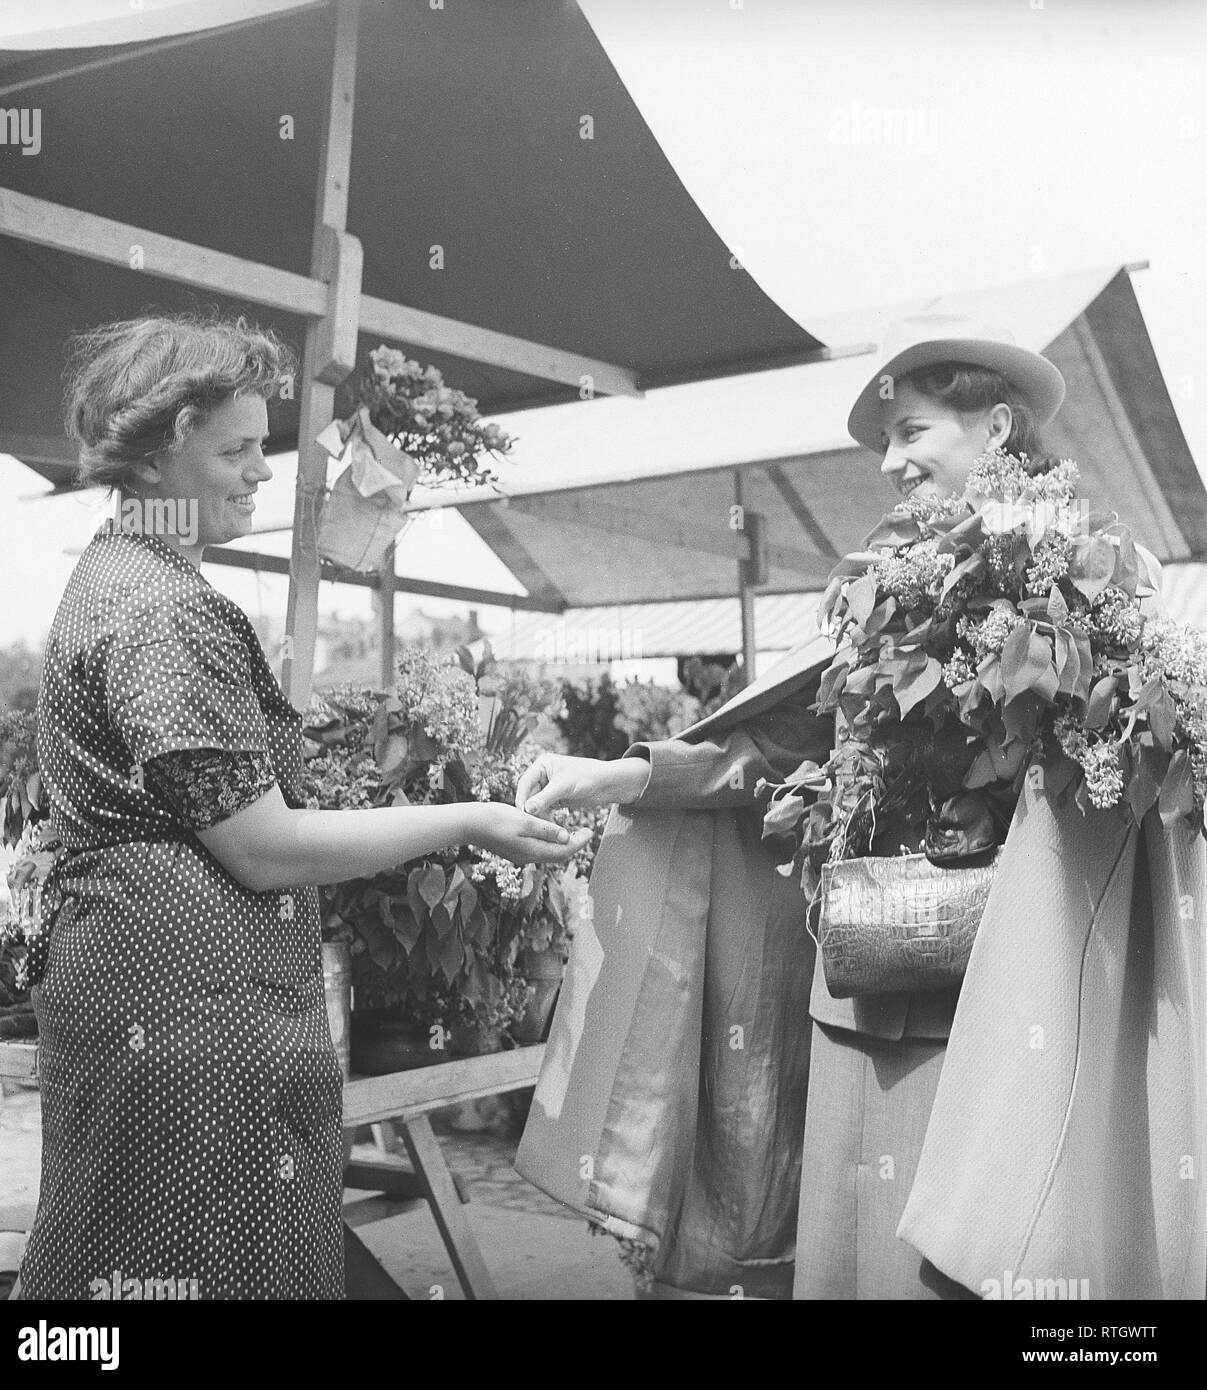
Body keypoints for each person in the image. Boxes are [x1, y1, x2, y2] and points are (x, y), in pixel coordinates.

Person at [513, 313, 1201, 1300]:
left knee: (975, 1262)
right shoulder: (877, 579)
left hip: (998, 1012)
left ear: (998, 429)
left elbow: (1117, 791)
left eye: (912, 430)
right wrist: (616, 775)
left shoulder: (1084, 576)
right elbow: (774, 752)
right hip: (858, 990)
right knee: (849, 1270)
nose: (888, 461)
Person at [19, 315, 589, 1301]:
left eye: (262, 446)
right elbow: (267, 847)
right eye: (234, 449)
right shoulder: (160, 606)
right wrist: (466, 820)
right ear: (156, 457)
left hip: (165, 1001)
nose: (259, 472)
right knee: (194, 1265)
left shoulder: (128, 576)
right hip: (184, 1013)